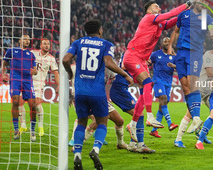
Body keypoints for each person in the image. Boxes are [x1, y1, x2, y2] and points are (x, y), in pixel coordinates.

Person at [63, 19, 133, 170]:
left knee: (82, 122)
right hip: (97, 91)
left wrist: (70, 73)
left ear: (86, 31)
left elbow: (65, 60)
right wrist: (126, 75)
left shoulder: (78, 42)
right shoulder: (106, 44)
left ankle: (77, 155)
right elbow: (108, 63)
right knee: (102, 122)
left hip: (80, 91)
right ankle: (95, 150)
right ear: (100, 31)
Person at [124, 0, 196, 142]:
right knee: (148, 83)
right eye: (157, 6)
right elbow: (169, 15)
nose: (159, 8)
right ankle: (149, 117)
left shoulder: (157, 24)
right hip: (133, 55)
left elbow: (169, 22)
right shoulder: (149, 18)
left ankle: (132, 124)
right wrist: (186, 4)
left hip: (142, 59)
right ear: (149, 10)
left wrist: (184, 14)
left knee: (144, 94)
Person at [167, 0, 213, 148]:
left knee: (193, 84)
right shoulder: (184, 15)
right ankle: (195, 118)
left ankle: (195, 118)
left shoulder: (207, 19)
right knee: (185, 88)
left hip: (195, 53)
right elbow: (175, 31)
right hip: (181, 52)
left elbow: (212, 31)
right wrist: (170, 46)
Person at [110, 54, 155, 153]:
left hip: (120, 89)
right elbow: (123, 66)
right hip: (119, 90)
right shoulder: (130, 57)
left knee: (138, 113)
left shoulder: (133, 60)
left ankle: (132, 144)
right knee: (139, 115)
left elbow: (141, 85)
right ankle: (140, 144)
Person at [18, 38, 59, 137]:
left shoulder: (51, 59)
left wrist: (59, 85)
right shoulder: (33, 53)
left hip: (39, 83)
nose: (46, 46)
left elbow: (56, 73)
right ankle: (23, 125)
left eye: (48, 44)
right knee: (19, 102)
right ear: (40, 45)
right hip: (27, 81)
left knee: (36, 104)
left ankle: (40, 126)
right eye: (44, 44)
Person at [2, 35, 38, 141]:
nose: (27, 41)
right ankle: (16, 129)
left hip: (28, 81)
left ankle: (32, 130)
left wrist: (34, 71)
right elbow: (4, 62)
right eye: (25, 39)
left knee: (33, 105)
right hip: (15, 79)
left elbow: (35, 69)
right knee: (16, 102)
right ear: (20, 40)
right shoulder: (11, 51)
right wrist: (3, 73)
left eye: (28, 39)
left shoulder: (31, 55)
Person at [149, 37, 178, 138]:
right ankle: (170, 123)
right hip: (158, 81)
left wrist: (174, 66)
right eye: (164, 41)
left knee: (162, 105)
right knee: (163, 99)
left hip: (168, 83)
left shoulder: (174, 56)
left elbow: (180, 68)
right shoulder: (156, 54)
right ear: (162, 43)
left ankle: (154, 130)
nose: (166, 42)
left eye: (168, 41)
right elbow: (148, 62)